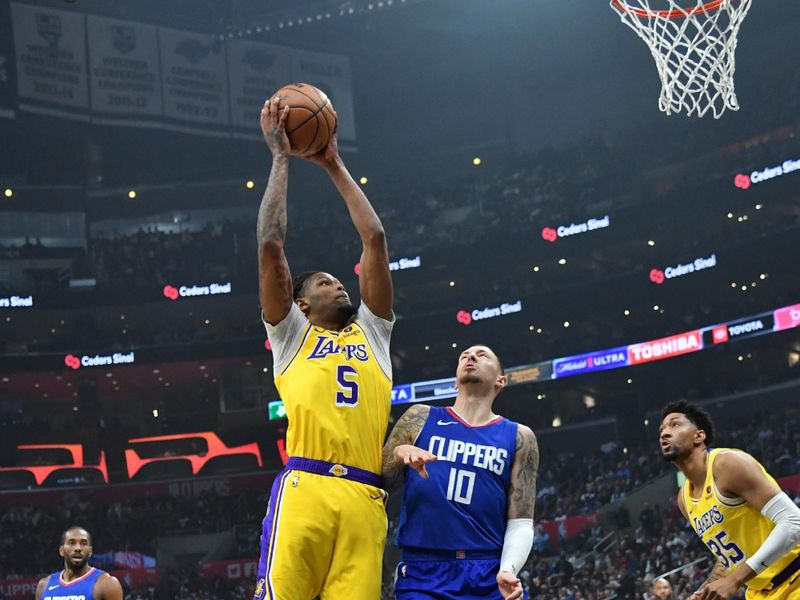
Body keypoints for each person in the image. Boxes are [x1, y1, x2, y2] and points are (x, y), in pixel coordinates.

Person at [253, 96, 394, 599]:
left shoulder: (373, 331)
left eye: (339, 280)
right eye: (324, 283)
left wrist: (333, 163)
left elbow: (374, 238)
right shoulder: (291, 335)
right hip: (307, 486)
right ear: (301, 304)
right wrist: (280, 158)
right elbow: (270, 245)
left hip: (365, 496)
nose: (338, 285)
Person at [382, 344, 539, 600]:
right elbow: (380, 481)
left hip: (488, 572)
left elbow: (520, 521)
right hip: (423, 570)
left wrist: (508, 569)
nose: (471, 356)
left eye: (482, 355)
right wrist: (399, 453)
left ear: (501, 381)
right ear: (455, 381)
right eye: (464, 356)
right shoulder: (419, 417)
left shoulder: (520, 437)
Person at [658, 400, 800, 600]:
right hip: (760, 593)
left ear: (699, 436)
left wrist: (735, 580)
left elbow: (794, 522)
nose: (664, 433)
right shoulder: (684, 499)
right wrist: (705, 591)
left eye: (675, 424)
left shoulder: (727, 464)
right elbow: (730, 556)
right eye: (662, 429)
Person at [35, 526, 122, 600]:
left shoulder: (107, 584)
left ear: (90, 551)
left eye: (84, 543)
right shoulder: (44, 585)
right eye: (72, 543)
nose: (78, 548)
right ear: (62, 551)